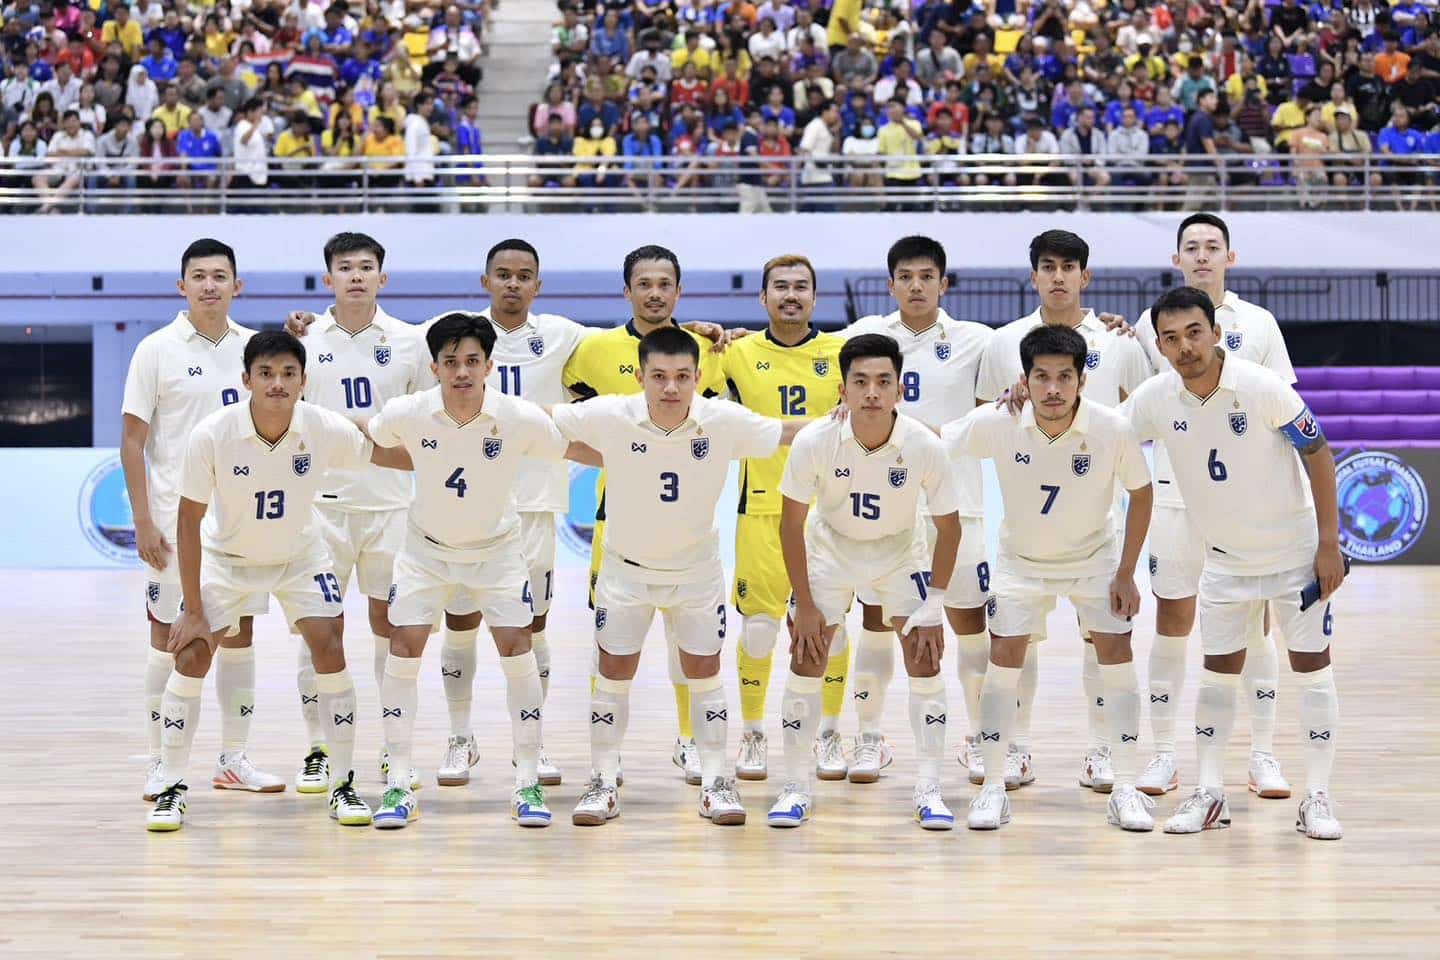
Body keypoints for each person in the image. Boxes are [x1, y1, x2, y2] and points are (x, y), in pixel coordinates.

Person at [147, 330, 412, 832]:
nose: (277, 383)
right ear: (246, 379)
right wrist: (193, 607)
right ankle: (171, 787)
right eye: (266, 373)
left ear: (304, 381)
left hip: (300, 556)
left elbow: (388, 456)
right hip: (227, 559)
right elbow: (187, 522)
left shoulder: (321, 427)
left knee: (330, 647)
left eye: (289, 374)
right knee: (192, 654)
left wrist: (447, 449)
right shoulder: (214, 433)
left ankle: (343, 784)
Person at [556, 327, 811, 827]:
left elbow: (785, 431)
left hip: (695, 575)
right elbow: (545, 424)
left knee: (704, 675)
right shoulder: (609, 414)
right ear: (640, 376)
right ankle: (603, 781)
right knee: (612, 677)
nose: (670, 388)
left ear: (697, 377)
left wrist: (855, 417)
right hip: (625, 574)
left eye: (680, 377)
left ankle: (717, 780)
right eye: (658, 377)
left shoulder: (720, 420)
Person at [1124, 286, 1345, 840]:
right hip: (1223, 561)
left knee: (1312, 669)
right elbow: (1101, 433)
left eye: (1194, 333)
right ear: (1159, 345)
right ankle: (1209, 791)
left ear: (1216, 332)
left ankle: (1317, 796)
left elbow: (1318, 453)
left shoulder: (1262, 387)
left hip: (1295, 557)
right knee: (1217, 675)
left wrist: (1327, 543)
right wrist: (1023, 398)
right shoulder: (1155, 398)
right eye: (1170, 339)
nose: (1185, 348)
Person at [365, 313, 584, 829]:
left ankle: (526, 777)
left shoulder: (520, 416)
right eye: (450, 362)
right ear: (435, 367)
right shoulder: (407, 412)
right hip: (424, 552)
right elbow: (370, 444)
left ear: (489, 365)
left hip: (498, 551)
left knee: (517, 646)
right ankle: (398, 781)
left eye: (471, 362)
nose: (461, 372)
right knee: (403, 648)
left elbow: (570, 448)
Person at [948, 324, 1154, 831]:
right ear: (1025, 379)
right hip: (1021, 563)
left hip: (1095, 560)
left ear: (1083, 380)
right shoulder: (997, 421)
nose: (1054, 389)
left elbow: (1143, 494)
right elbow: (934, 443)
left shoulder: (1112, 428)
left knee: (1117, 661)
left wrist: (1126, 572)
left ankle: (1125, 785)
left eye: (1065, 377)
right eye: (1042, 377)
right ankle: (994, 785)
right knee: (1004, 664)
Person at [412, 239, 593, 789]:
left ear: (538, 284)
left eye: (524, 276)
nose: (513, 283)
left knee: (531, 627)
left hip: (534, 507)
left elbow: (634, 346)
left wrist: (705, 329)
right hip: (463, 505)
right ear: (486, 280)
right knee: (460, 620)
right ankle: (460, 738)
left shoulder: (566, 337)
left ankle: (530, 749)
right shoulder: (448, 334)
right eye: (503, 274)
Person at [1129, 213, 1298, 800]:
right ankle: (1163, 755)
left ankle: (1263, 754)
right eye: (1191, 248)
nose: (1202, 255)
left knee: (1254, 628)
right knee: (1171, 623)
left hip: (1245, 510)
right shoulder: (1146, 330)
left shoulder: (1260, 324)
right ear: (1176, 259)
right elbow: (1115, 406)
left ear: (1231, 256)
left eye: (1212, 246)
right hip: (1175, 501)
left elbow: (1287, 410)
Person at [976, 230, 1151, 793]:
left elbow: (1139, 419)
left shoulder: (1120, 343)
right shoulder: (1004, 342)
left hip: (1095, 520)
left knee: (1099, 642)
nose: (1057, 276)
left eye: (1068, 266)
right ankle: (1015, 751)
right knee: (1015, 642)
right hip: (1028, 523)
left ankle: (1105, 751)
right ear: (1033, 277)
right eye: (1047, 267)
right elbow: (989, 422)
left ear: (1086, 277)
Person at [777, 333, 962, 828]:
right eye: (861, 382)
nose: (873, 393)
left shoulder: (924, 445)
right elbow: (790, 523)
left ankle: (929, 787)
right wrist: (808, 604)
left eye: (884, 382)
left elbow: (950, 527)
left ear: (901, 388)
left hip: (900, 554)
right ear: (843, 389)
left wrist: (935, 602)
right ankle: (795, 785)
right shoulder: (816, 440)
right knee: (806, 655)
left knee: (925, 658)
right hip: (830, 553)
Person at [560, 246, 730, 784]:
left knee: (692, 646)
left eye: (665, 284)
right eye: (644, 283)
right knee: (610, 646)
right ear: (627, 290)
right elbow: (572, 416)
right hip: (619, 521)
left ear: (679, 292)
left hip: (688, 524)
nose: (654, 292)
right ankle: (605, 763)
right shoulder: (593, 350)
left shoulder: (708, 348)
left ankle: (690, 742)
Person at [840, 236, 995, 786]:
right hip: (888, 514)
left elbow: (1040, 349)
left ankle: (980, 741)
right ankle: (870, 740)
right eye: (905, 276)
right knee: (878, 627)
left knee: (970, 629)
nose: (916, 285)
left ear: (943, 283)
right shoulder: (865, 338)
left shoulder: (979, 341)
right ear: (891, 284)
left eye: (927, 276)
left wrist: (1113, 327)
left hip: (959, 510)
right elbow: (805, 348)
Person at [282, 232, 427, 794]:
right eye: (346, 268)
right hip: (320, 509)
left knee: (391, 629)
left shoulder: (410, 343)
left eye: (367, 267)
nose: (357, 276)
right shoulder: (305, 339)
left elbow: (422, 423)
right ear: (328, 280)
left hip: (391, 507)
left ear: (382, 278)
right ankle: (319, 747)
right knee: (321, 628)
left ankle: (396, 751)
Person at [121, 240, 263, 806]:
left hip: (241, 522)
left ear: (237, 285)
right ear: (182, 287)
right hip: (172, 520)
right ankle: (161, 762)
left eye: (220, 276)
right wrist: (141, 520)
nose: (209, 285)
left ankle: (233, 759)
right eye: (198, 277)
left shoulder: (256, 348)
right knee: (167, 638)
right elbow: (133, 442)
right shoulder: (155, 350)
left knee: (239, 635)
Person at [718, 255, 846, 782]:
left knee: (831, 632)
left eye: (801, 287)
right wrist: (708, 332)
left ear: (815, 297)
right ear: (763, 298)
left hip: (830, 515)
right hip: (762, 511)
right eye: (780, 287)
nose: (790, 295)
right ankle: (752, 734)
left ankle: (831, 734)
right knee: (760, 631)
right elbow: (670, 353)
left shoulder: (842, 352)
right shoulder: (737, 353)